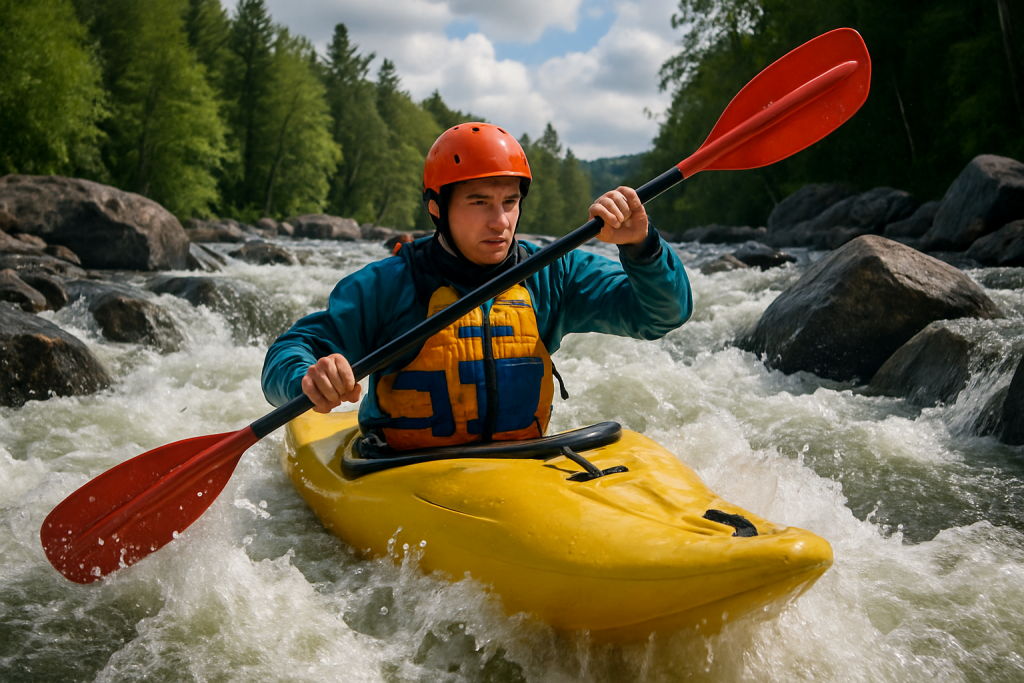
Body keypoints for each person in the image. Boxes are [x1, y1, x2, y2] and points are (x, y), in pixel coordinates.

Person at [262, 122, 692, 451]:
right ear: (437, 208)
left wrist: (642, 246)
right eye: (479, 202)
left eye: (509, 202)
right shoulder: (388, 284)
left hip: (522, 463)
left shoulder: (552, 272)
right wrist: (307, 376)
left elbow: (661, 315)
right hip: (401, 472)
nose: (500, 221)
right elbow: (288, 352)